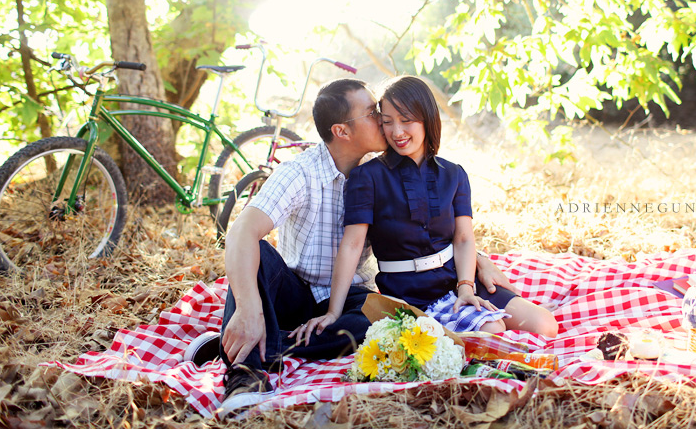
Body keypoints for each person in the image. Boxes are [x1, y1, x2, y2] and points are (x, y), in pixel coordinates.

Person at [200, 78, 518, 418]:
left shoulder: (381, 172)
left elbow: (425, 231)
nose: (384, 119)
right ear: (342, 131)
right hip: (296, 292)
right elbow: (239, 234)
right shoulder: (299, 173)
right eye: (372, 113)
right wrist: (249, 308)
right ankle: (245, 376)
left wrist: (476, 260)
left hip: (350, 295)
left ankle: (266, 341)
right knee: (259, 254)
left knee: (384, 324)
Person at [299, 76, 558, 346]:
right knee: (492, 330)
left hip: (456, 279)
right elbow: (352, 245)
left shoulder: (454, 174)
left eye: (406, 119)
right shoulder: (367, 177)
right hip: (408, 294)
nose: (397, 132)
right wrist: (333, 312)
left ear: (427, 118)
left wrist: (466, 286)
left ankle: (467, 313)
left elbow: (464, 239)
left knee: (545, 325)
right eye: (387, 122)